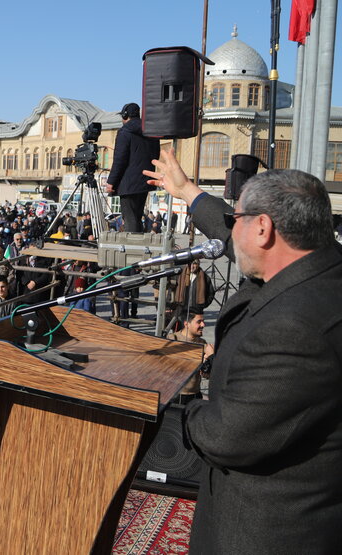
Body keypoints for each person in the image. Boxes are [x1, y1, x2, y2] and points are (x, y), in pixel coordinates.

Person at [145, 149, 342, 554]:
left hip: (264, 530)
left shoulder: (295, 328)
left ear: (264, 229)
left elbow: (226, 435)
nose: (229, 233)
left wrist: (169, 400)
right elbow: (236, 234)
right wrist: (186, 192)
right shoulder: (314, 264)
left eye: (237, 221)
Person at [105, 102, 159, 233]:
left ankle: (132, 249)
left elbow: (119, 160)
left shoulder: (125, 132)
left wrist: (111, 182)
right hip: (145, 180)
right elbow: (156, 155)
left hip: (128, 183)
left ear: (125, 115)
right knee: (136, 217)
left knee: (129, 219)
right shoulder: (151, 131)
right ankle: (139, 247)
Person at [163, 306, 211, 404]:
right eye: (199, 322)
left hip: (195, 395)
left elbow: (208, 373)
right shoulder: (172, 339)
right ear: (186, 324)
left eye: (203, 321)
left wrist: (207, 369)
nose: (203, 325)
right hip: (175, 396)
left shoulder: (203, 343)